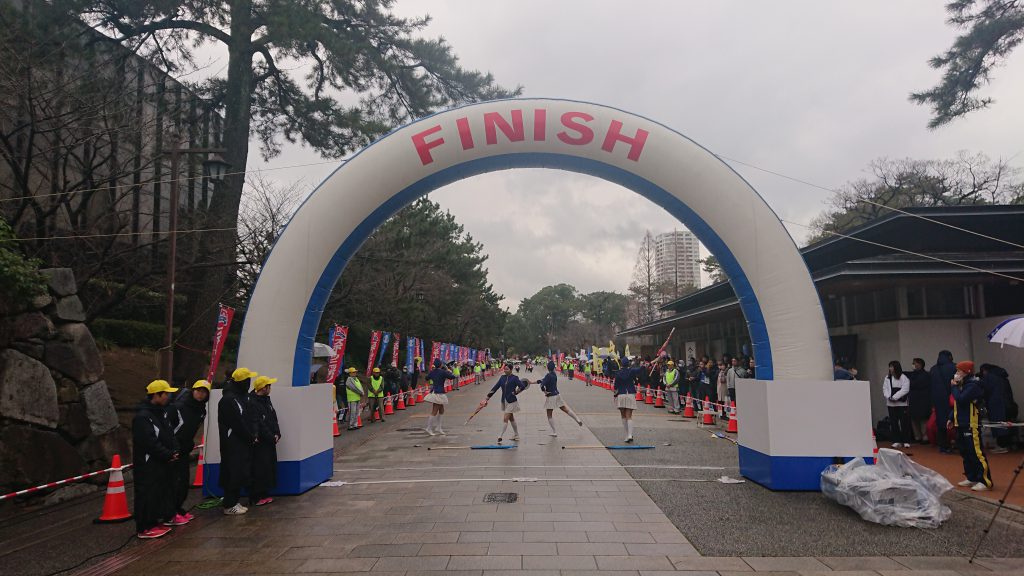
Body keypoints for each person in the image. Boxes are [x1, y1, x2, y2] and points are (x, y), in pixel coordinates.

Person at [132, 379, 180, 538]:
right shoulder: (143, 416)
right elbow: (149, 441)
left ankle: (154, 521)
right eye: (165, 394)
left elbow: (169, 434)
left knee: (158, 492)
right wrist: (167, 453)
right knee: (147, 493)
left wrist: (173, 451)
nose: (168, 397)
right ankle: (144, 527)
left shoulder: (161, 412)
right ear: (156, 395)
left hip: (161, 461)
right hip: (148, 463)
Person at [165, 379, 210, 525]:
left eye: (204, 392)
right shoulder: (178, 407)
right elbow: (169, 429)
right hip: (172, 450)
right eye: (198, 390)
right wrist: (173, 448)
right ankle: (169, 513)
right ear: (193, 390)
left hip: (184, 450)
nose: (200, 394)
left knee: (183, 482)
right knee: (173, 483)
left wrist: (188, 444)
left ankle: (178, 509)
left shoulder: (201, 410)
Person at [219, 368, 258, 515]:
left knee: (239, 472)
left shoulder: (241, 397)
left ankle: (234, 501)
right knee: (232, 472)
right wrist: (250, 436)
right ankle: (229, 504)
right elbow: (237, 422)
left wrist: (252, 434)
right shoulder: (228, 399)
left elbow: (249, 417)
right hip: (232, 443)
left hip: (242, 442)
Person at [950, 361, 993, 491]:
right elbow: (957, 405)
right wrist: (951, 417)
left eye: (958, 371)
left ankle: (985, 480)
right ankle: (972, 476)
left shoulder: (973, 385)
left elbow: (961, 399)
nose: (956, 374)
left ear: (966, 372)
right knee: (965, 452)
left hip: (970, 423)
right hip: (960, 422)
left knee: (975, 452)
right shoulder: (962, 385)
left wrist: (953, 387)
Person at [249, 375, 280, 506]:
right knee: (259, 468)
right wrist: (270, 436)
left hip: (270, 441)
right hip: (261, 442)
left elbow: (273, 417)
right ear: (263, 388)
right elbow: (259, 423)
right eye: (269, 386)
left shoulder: (266, 400)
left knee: (268, 467)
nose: (270, 388)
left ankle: (264, 493)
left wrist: (277, 433)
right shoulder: (253, 402)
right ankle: (256, 496)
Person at [484, 363, 529, 443]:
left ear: (511, 370)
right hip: (504, 401)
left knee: (505, 418)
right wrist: (487, 397)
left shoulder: (515, 378)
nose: (505, 370)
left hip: (512, 401)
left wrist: (516, 392)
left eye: (507, 369)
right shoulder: (502, 378)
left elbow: (522, 386)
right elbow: (495, 387)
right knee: (511, 418)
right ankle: (516, 435)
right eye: (504, 369)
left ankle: (500, 436)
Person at [538, 360, 583, 436]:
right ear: (553, 368)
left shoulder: (548, 375)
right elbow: (543, 380)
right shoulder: (554, 374)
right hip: (557, 394)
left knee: (549, 414)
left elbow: (542, 385)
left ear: (548, 367)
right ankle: (577, 419)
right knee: (565, 409)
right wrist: (534, 382)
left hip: (551, 396)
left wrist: (544, 391)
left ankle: (554, 432)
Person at [980, 364, 1013, 453]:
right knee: (1005, 424)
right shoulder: (1002, 377)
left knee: (998, 425)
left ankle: (1002, 446)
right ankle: (1007, 445)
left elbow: (985, 390)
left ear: (984, 370)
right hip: (1007, 404)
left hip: (996, 404)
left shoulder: (989, 377)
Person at [930, 350, 956, 454]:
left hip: (938, 400)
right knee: (956, 421)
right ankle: (959, 443)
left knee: (941, 423)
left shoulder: (933, 369)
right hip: (952, 398)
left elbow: (930, 387)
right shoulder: (954, 367)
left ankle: (943, 446)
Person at [613, 359, 643, 443]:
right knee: (629, 416)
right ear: (628, 364)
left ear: (621, 364)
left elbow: (615, 386)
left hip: (621, 394)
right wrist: (644, 365)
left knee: (623, 416)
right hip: (630, 393)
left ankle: (627, 435)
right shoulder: (631, 371)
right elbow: (640, 369)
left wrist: (615, 395)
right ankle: (630, 435)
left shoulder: (618, 373)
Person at [883, 360, 911, 448]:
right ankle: (896, 440)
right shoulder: (887, 378)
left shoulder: (904, 378)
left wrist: (895, 397)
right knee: (893, 422)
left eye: (892, 366)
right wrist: (888, 397)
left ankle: (906, 440)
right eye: (889, 366)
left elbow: (905, 389)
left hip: (902, 404)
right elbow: (885, 388)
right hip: (891, 404)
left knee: (904, 422)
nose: (890, 368)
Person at [424, 359, 456, 435]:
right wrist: (448, 370)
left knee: (441, 410)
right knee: (434, 411)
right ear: (441, 364)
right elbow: (452, 377)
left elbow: (426, 378)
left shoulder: (433, 371)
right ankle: (428, 428)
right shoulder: (442, 372)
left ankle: (438, 427)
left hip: (435, 391)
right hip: (439, 393)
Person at [906, 358, 932, 444]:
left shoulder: (925, 375)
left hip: (923, 400)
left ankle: (925, 437)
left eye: (915, 363)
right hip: (913, 399)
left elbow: (915, 385)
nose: (913, 365)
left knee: (923, 419)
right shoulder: (912, 375)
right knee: (914, 419)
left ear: (920, 364)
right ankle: (917, 437)